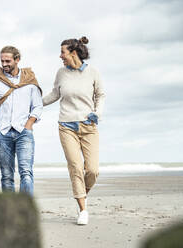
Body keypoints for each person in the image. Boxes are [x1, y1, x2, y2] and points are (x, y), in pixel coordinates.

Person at [43, 37, 105, 225]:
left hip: (89, 126)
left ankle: (81, 194)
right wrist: (36, 104)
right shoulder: (61, 72)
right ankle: (83, 210)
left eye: (63, 52)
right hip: (66, 126)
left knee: (92, 170)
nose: (60, 56)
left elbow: (100, 95)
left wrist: (97, 113)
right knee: (75, 168)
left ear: (73, 53)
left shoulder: (93, 72)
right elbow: (55, 93)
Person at [0, 46, 43, 196]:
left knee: (26, 172)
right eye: (2, 61)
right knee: (6, 175)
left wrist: (29, 125)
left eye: (8, 61)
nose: (4, 64)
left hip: (23, 132)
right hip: (2, 132)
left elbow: (37, 106)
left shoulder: (29, 80)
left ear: (17, 60)